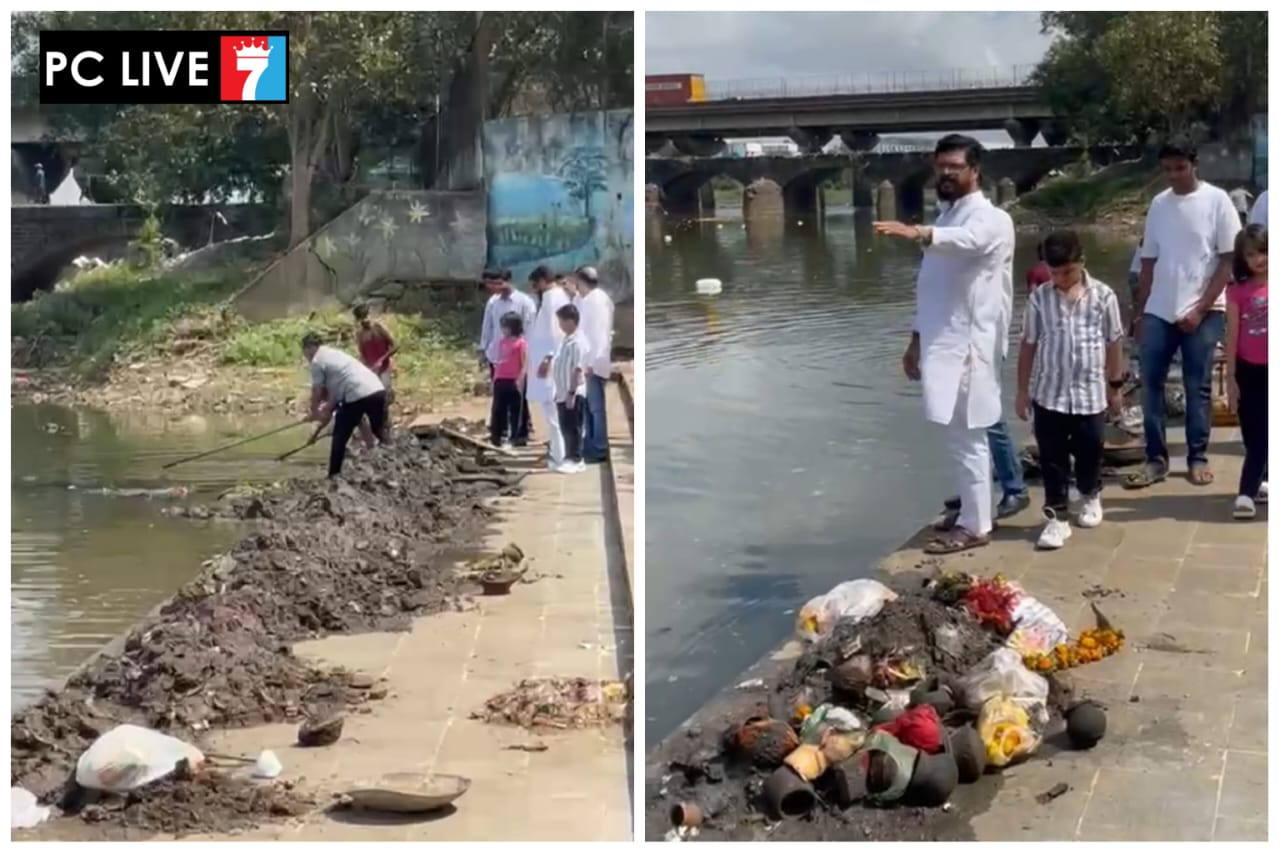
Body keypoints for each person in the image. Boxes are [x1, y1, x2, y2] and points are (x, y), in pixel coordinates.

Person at [875, 133, 1015, 555]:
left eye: (955, 167)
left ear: (975, 171)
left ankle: (975, 526)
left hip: (970, 344)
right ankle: (974, 511)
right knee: (957, 437)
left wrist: (918, 231)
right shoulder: (949, 216)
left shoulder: (990, 218)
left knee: (970, 434)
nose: (947, 173)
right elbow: (930, 287)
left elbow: (970, 243)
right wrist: (915, 342)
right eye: (941, 167)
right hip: (940, 342)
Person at [1125, 139, 1240, 490]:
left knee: (1197, 386)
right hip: (1160, 307)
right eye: (1168, 169)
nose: (1174, 175)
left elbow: (1228, 259)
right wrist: (1140, 312)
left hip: (1205, 309)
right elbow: (1148, 262)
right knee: (1151, 386)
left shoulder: (1218, 201)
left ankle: (1197, 457)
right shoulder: (1159, 205)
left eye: (1180, 168)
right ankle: (1155, 459)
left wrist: (1202, 307)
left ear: (1194, 165)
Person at [1014, 230, 1126, 550]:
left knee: (1090, 450)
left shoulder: (1104, 296)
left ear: (1081, 263)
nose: (1061, 279)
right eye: (1054, 272)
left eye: (1067, 272)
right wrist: (1022, 391)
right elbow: (1028, 346)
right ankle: (1056, 518)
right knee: (1052, 460)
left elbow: (1114, 342)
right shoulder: (1039, 299)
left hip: (1090, 392)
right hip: (1049, 393)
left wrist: (1114, 385)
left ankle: (1091, 494)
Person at [1225, 224, 1268, 519]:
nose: (1259, 259)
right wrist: (1230, 378)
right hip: (1247, 370)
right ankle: (1263, 480)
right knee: (1252, 433)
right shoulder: (1237, 291)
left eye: (1263, 251)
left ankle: (1246, 491)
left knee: (1267, 432)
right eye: (1252, 254)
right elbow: (1232, 336)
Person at [301, 332, 388, 477]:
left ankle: (333, 475)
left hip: (358, 394)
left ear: (309, 348)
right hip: (377, 389)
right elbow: (330, 403)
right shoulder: (334, 356)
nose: (306, 356)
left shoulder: (317, 361)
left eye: (305, 352)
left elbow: (317, 390)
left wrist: (314, 412)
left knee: (339, 437)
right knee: (378, 429)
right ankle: (390, 455)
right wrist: (317, 420)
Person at [478, 269, 537, 446]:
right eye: (490, 285)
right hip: (497, 356)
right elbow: (487, 327)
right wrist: (484, 350)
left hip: (517, 358)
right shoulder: (493, 302)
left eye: (496, 284)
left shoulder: (524, 302)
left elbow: (530, 331)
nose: (493, 288)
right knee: (499, 397)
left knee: (519, 397)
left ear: (507, 282)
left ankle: (521, 432)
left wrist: (526, 360)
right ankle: (499, 431)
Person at [526, 265, 571, 469]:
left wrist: (548, 359)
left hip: (550, 365)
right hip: (548, 362)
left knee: (553, 413)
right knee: (552, 412)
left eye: (535, 284)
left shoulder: (553, 298)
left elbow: (556, 334)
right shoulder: (554, 297)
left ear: (543, 280)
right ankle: (557, 452)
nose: (534, 288)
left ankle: (559, 456)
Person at [575, 266, 615, 463]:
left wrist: (591, 362)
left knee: (596, 408)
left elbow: (599, 334)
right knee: (590, 407)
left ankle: (599, 447)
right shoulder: (593, 299)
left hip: (594, 362)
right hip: (591, 360)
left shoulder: (596, 301)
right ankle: (591, 443)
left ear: (581, 282)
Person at [552, 303, 589, 474]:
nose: (560, 325)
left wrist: (571, 393)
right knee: (565, 426)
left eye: (561, 321)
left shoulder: (578, 342)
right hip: (562, 392)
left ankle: (576, 458)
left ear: (571, 321)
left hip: (572, 392)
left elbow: (577, 369)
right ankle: (568, 457)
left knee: (574, 426)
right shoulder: (566, 340)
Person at [353, 304, 395, 446]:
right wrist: (365, 368)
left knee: (384, 397)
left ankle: (385, 428)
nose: (365, 320)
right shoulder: (360, 335)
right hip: (371, 371)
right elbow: (362, 355)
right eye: (362, 318)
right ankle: (377, 431)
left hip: (383, 368)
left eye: (366, 316)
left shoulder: (379, 329)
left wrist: (381, 360)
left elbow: (394, 346)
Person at [489, 312, 528, 448]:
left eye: (505, 327)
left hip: (513, 380)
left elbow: (524, 363)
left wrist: (521, 379)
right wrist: (494, 379)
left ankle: (516, 437)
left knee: (515, 411)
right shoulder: (501, 342)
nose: (503, 330)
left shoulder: (520, 343)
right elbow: (498, 361)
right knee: (498, 409)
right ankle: (497, 436)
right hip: (500, 379)